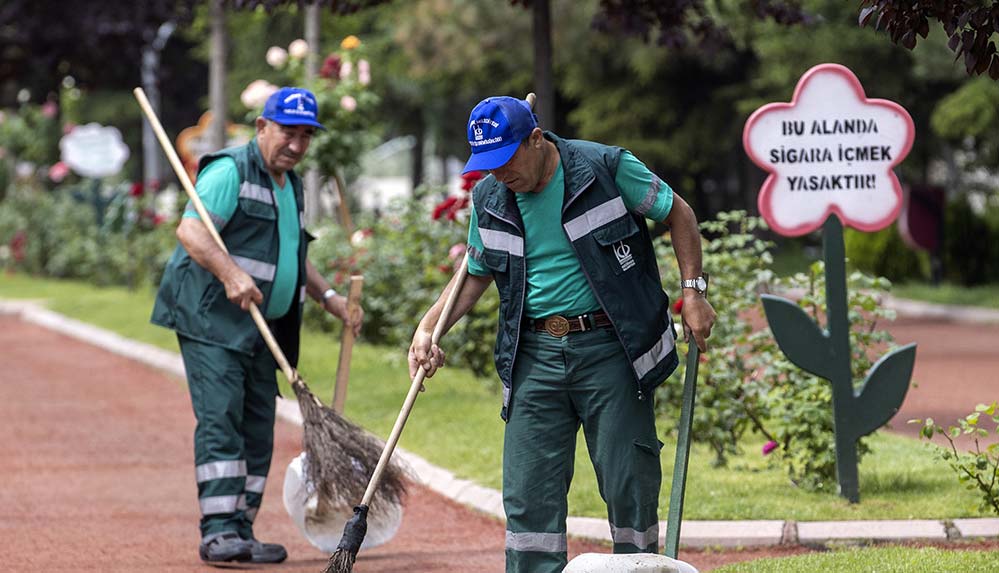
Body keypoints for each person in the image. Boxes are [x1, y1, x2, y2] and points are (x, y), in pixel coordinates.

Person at [408, 96, 716, 573]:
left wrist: (693, 292)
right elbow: (475, 271)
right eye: (487, 165)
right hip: (533, 355)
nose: (498, 174)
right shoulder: (490, 197)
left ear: (536, 139)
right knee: (528, 493)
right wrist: (429, 327)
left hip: (611, 349)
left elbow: (681, 214)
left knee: (627, 484)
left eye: (505, 160)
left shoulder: (605, 167)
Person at [151, 86, 362, 564]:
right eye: (288, 132)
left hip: (265, 328)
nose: (297, 144)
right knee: (222, 419)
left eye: (306, 136)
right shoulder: (230, 171)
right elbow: (191, 230)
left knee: (257, 427)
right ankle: (219, 532)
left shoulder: (292, 184)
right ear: (263, 127)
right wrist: (230, 274)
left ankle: (241, 530)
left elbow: (294, 253)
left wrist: (329, 298)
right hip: (215, 322)